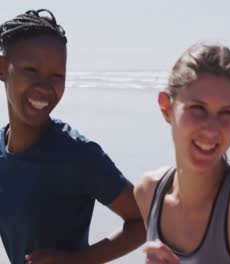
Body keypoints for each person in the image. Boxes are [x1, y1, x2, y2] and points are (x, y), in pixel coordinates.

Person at [0, 9, 145, 264]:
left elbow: (144, 220)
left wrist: (81, 259)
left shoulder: (78, 155)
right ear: (2, 69)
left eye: (57, 76)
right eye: (31, 70)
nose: (45, 87)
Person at [134, 43, 230, 264]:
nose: (212, 128)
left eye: (226, 113)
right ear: (166, 107)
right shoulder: (148, 192)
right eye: (198, 109)